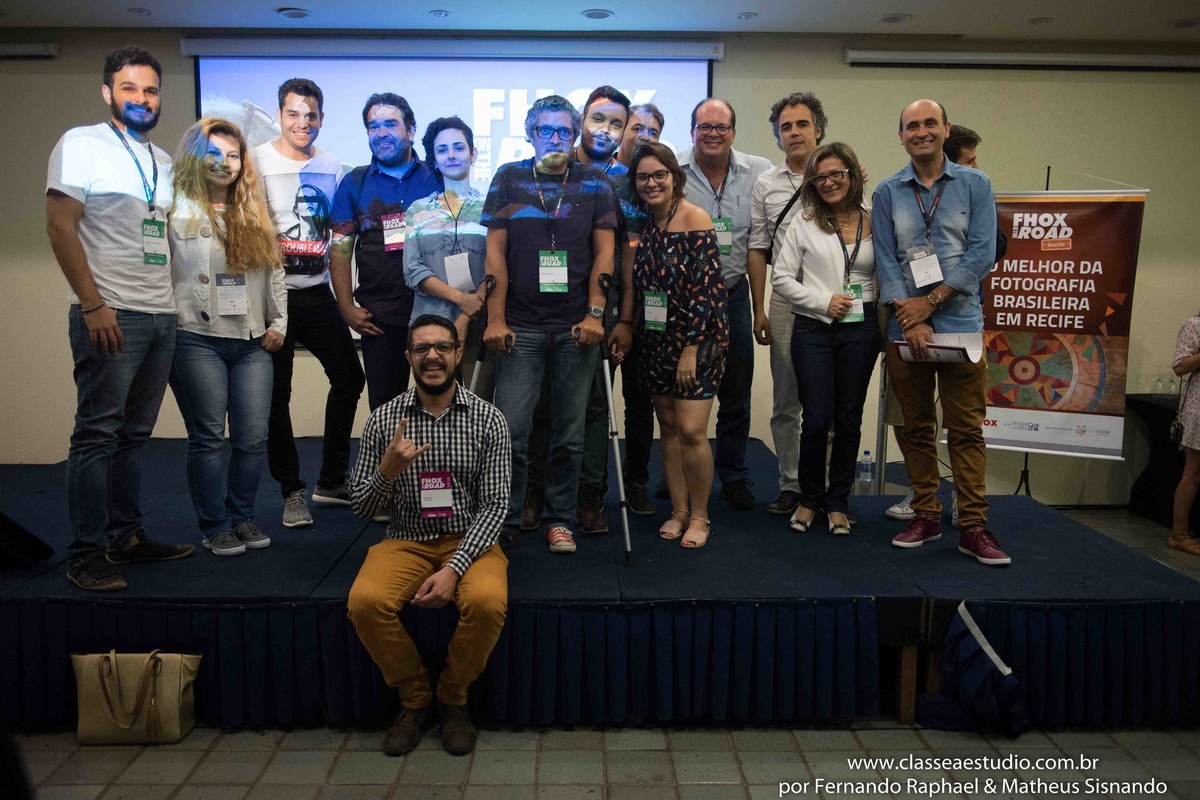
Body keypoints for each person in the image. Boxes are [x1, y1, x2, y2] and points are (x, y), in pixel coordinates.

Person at [47, 45, 194, 592]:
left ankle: (125, 537)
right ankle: (85, 554)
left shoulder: (161, 163)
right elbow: (61, 227)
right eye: (129, 88)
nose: (141, 98)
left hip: (160, 313)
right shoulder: (82, 143)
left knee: (134, 436)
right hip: (110, 313)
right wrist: (92, 304)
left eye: (151, 90)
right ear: (108, 92)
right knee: (97, 434)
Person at [346, 314, 511, 757]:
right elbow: (361, 508)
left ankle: (453, 697)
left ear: (459, 354)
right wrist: (386, 472)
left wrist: (455, 570)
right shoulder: (384, 420)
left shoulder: (489, 420)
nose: (432, 356)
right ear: (409, 357)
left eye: (442, 347)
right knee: (364, 603)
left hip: (469, 539)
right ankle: (415, 698)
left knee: (486, 602)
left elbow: (496, 506)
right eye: (422, 349)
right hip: (406, 537)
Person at [873, 98, 1010, 566]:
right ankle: (926, 514)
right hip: (906, 329)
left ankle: (973, 526)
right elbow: (888, 261)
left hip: (960, 323)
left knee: (966, 429)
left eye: (930, 122)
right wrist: (910, 317)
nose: (921, 131)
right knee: (914, 428)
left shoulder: (975, 184)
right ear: (901, 135)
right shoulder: (889, 192)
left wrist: (928, 304)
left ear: (945, 129)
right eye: (912, 125)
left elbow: (982, 253)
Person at [482, 95, 617, 554]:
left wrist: (595, 313)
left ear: (576, 134)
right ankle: (508, 513)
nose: (555, 139)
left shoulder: (596, 180)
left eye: (564, 131)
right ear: (530, 133)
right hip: (519, 327)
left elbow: (605, 254)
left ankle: (560, 518)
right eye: (546, 130)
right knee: (513, 431)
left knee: (568, 434)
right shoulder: (508, 178)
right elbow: (495, 253)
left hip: (576, 328)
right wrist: (495, 318)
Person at [168, 118, 286, 556]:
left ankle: (243, 517)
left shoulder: (252, 208)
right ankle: (214, 524)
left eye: (233, 155)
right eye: (213, 154)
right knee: (207, 435)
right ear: (196, 158)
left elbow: (274, 272)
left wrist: (279, 324)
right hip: (195, 336)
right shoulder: (173, 206)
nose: (224, 163)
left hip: (252, 340)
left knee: (253, 437)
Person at [251, 78, 364, 528]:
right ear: (279, 115)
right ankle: (291, 491)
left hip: (316, 292)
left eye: (311, 114)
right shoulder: (256, 160)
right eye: (294, 114)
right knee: (277, 397)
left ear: (321, 118)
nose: (303, 123)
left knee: (350, 378)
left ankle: (332, 480)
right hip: (271, 298)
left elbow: (339, 232)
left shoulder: (333, 164)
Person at [526, 86, 633, 535]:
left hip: (598, 311)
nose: (604, 129)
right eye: (596, 119)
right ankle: (536, 495)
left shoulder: (625, 179)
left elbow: (625, 254)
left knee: (591, 410)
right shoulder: (534, 175)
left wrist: (622, 316)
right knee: (541, 407)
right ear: (580, 125)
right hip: (540, 312)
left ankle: (589, 499)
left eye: (615, 123)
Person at [771, 142, 878, 536]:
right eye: (821, 177)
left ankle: (838, 502)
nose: (830, 182)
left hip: (862, 328)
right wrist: (822, 301)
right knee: (815, 420)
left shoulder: (873, 220)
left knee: (848, 419)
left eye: (837, 173)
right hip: (814, 328)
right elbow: (781, 278)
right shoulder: (804, 221)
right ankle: (809, 498)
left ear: (852, 174)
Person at [630, 142, 728, 548]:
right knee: (667, 428)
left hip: (697, 341)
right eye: (643, 177)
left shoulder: (695, 217)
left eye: (659, 175)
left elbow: (708, 292)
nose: (651, 183)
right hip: (655, 339)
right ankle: (679, 511)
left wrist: (691, 348)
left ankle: (701, 516)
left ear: (674, 175)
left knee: (691, 430)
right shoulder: (650, 223)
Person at [678, 98, 772, 510]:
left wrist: (758, 308)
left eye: (721, 127)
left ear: (733, 131)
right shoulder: (673, 170)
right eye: (704, 127)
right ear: (692, 131)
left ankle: (733, 475)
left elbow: (760, 242)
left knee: (736, 389)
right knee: (676, 389)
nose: (713, 133)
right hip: (684, 302)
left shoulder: (760, 171)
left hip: (732, 296)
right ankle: (679, 475)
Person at [332, 92, 443, 410]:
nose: (381, 133)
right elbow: (340, 250)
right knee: (385, 408)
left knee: (439, 405)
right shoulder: (354, 182)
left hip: (434, 309)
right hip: (379, 316)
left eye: (390, 124)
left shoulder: (436, 177)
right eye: (373, 126)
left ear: (410, 130)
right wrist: (345, 306)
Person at [748, 92, 828, 516]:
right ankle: (791, 483)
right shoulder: (767, 183)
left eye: (802, 124)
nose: (794, 132)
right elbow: (758, 247)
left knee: (829, 399)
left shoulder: (838, 174)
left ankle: (828, 488)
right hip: (784, 299)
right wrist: (759, 309)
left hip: (833, 300)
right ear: (778, 137)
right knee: (786, 400)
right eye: (786, 127)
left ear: (818, 128)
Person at [403, 116, 491, 396]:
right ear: (434, 159)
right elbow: (412, 271)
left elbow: (498, 268)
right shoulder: (418, 210)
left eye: (459, 147)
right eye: (442, 150)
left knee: (479, 403)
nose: (451, 155)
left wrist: (465, 315)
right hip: (428, 326)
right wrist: (460, 299)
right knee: (432, 404)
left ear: (473, 153)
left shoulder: (492, 207)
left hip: (479, 322)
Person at [1170, 313, 1200, 556]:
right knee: (1194, 472)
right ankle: (1179, 534)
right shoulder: (1194, 325)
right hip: (1198, 408)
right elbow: (1180, 367)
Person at [616, 103, 663, 168]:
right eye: (638, 129)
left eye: (653, 134)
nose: (646, 137)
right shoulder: (599, 173)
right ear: (621, 132)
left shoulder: (665, 176)